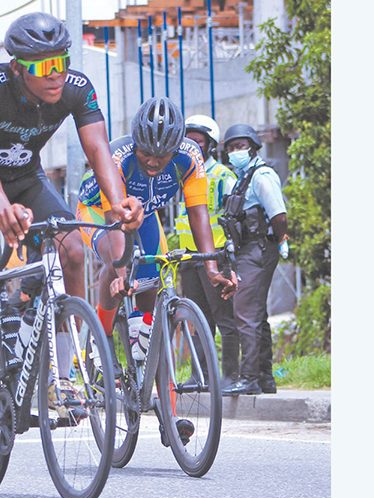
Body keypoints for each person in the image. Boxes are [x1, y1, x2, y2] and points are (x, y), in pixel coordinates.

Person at [0, 12, 143, 427]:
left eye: (62, 62)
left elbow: (99, 149)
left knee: (73, 250)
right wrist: (1, 209)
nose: (56, 75)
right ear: (17, 67)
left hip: (26, 179)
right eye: (44, 66)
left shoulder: (76, 88)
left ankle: (63, 377)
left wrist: (118, 202)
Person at [77, 97, 237, 443]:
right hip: (100, 212)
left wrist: (211, 268)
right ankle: (102, 339)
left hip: (145, 215)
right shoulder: (119, 159)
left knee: (154, 293)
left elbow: (199, 214)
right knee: (116, 262)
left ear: (175, 149)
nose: (152, 161)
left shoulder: (189, 158)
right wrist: (122, 273)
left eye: (161, 156)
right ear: (136, 142)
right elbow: (115, 220)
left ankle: (169, 414)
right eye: (146, 153)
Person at [219, 123, 289, 396]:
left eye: (241, 146)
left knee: (245, 314)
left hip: (258, 248)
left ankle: (249, 378)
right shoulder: (242, 177)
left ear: (253, 148)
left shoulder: (262, 176)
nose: (236, 151)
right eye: (231, 147)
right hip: (247, 249)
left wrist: (282, 239)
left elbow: (278, 214)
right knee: (256, 314)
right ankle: (264, 377)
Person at [174, 114, 240, 388]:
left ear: (210, 145)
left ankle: (231, 376)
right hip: (190, 257)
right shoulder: (183, 175)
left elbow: (236, 218)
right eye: (187, 142)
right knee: (198, 319)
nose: (192, 147)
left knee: (225, 318)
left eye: (198, 142)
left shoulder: (223, 176)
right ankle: (199, 375)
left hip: (216, 256)